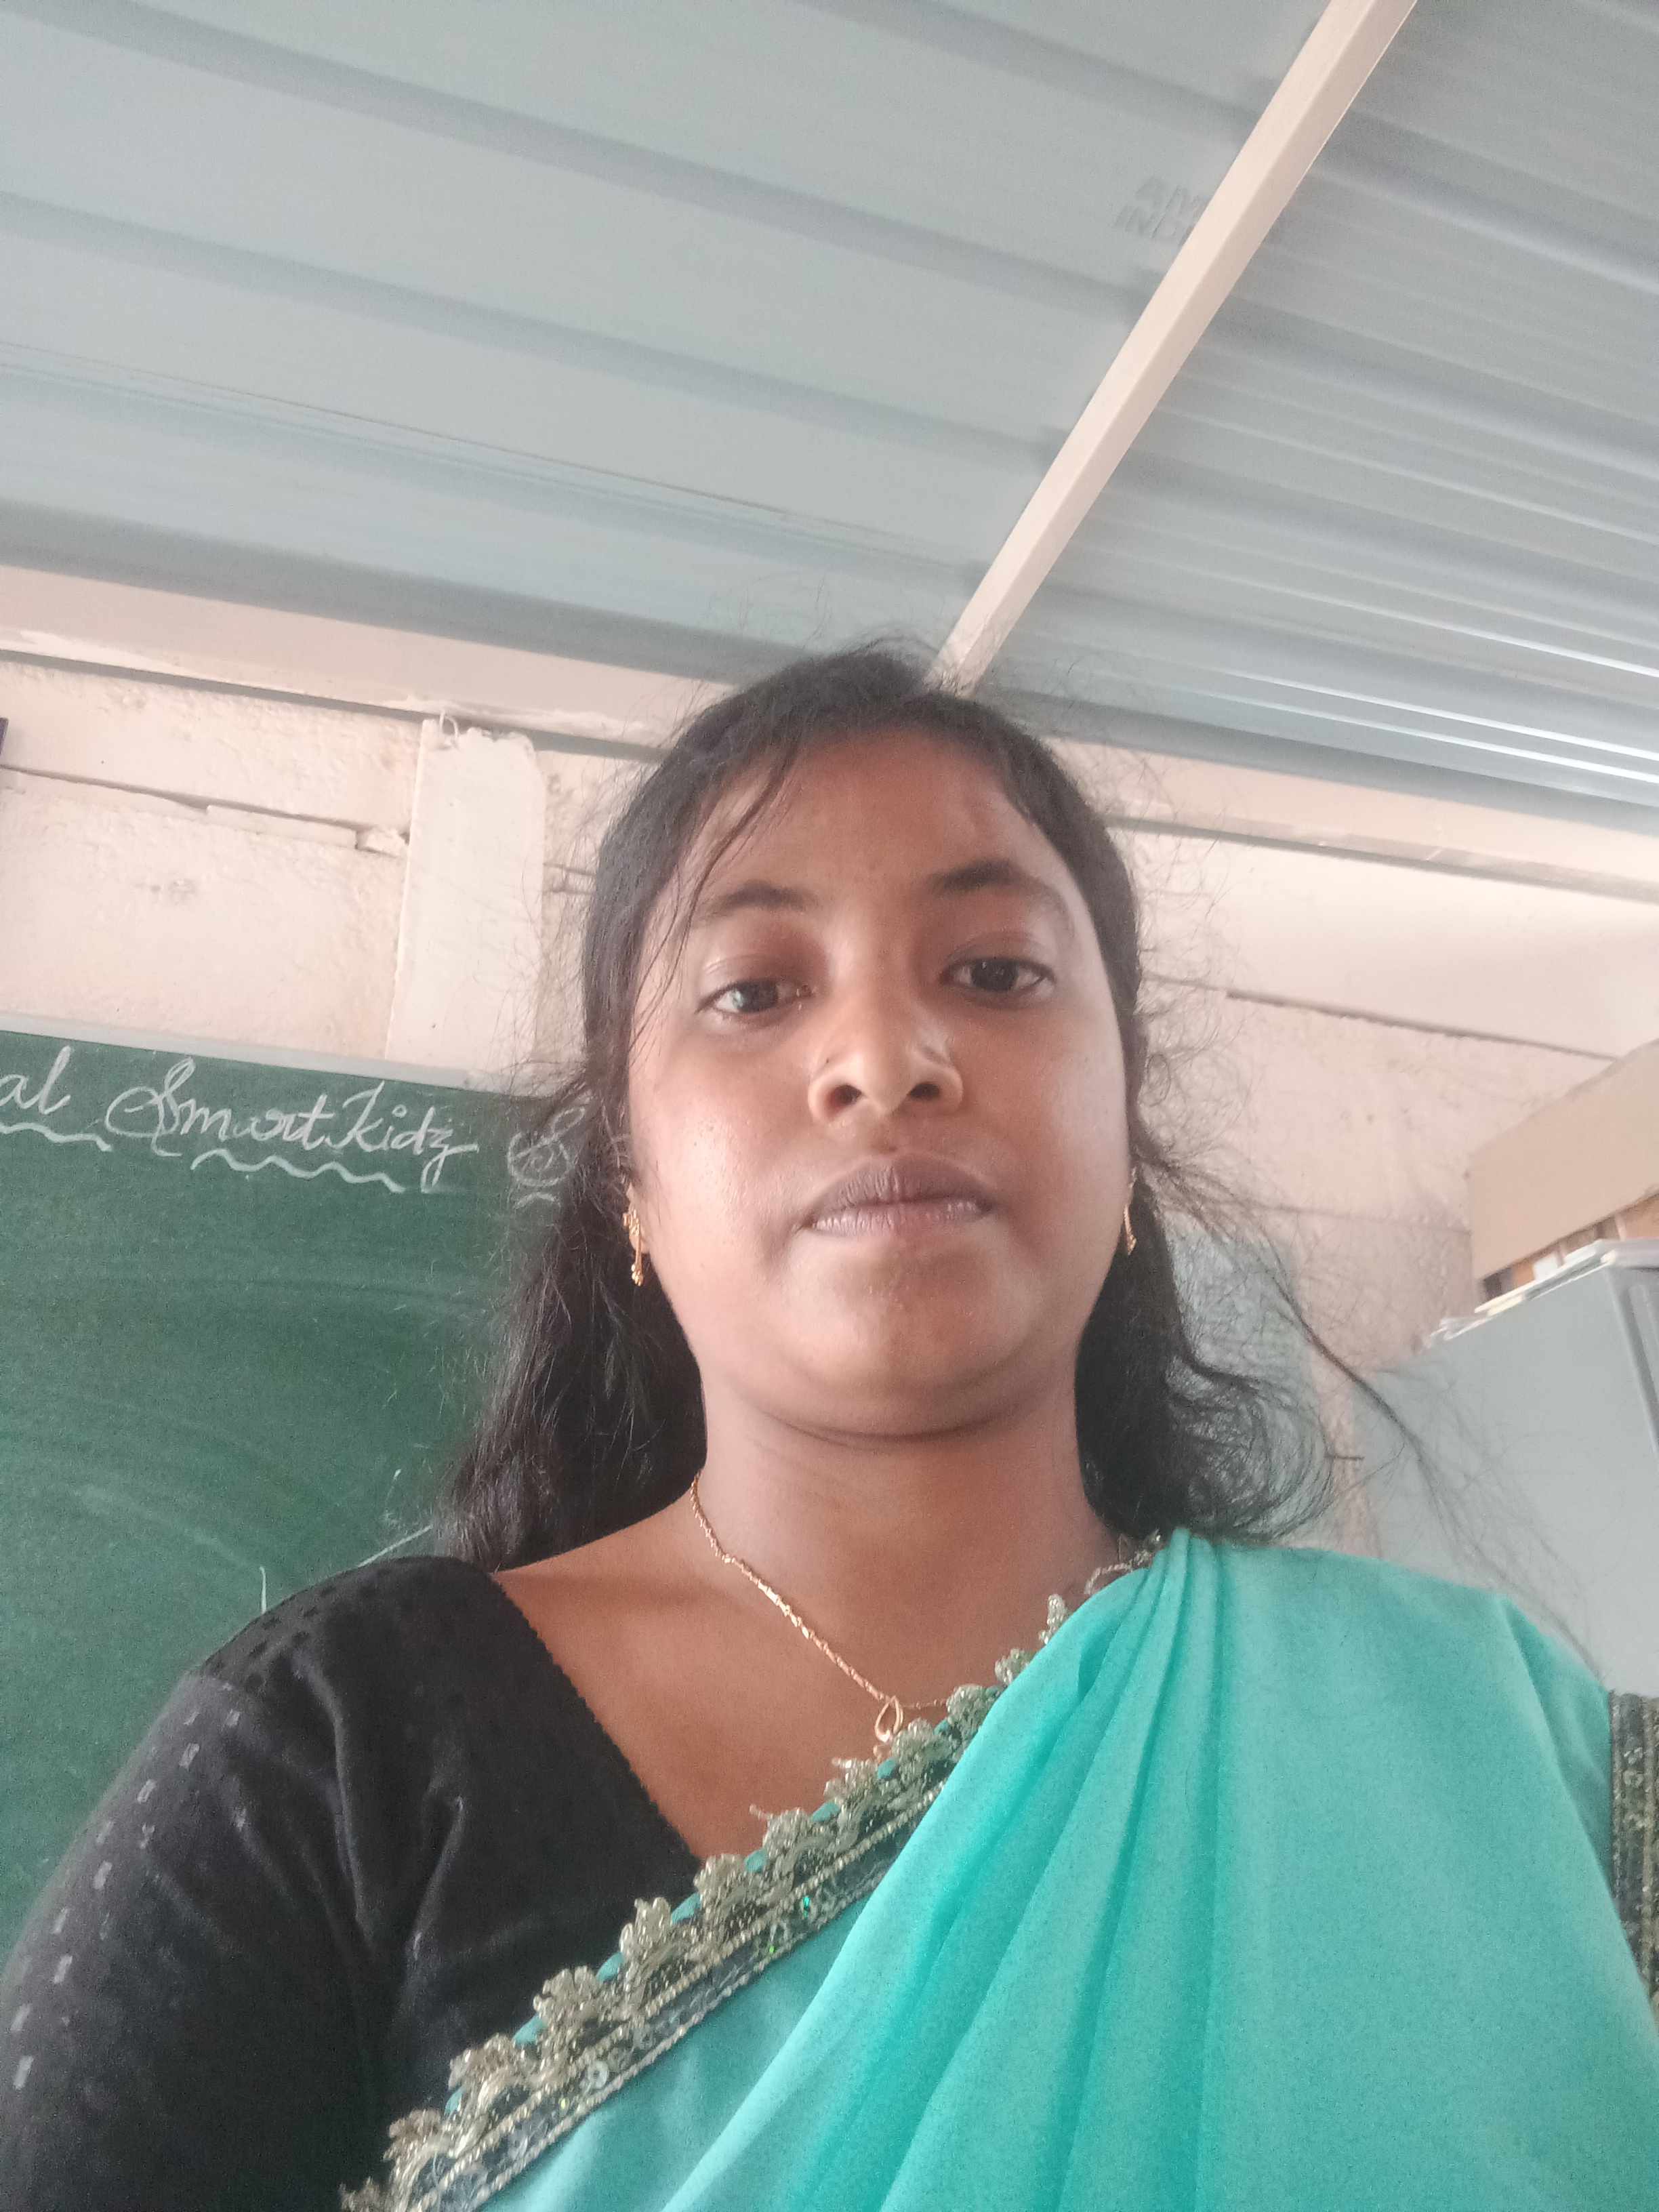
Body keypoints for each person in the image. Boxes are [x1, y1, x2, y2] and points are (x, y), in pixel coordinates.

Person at [3, 648, 1656, 2212]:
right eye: (752, 990)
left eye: (995, 973)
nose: (886, 1057)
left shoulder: (1502, 1749)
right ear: (629, 1178)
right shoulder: (336, 1756)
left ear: (1126, 1121)